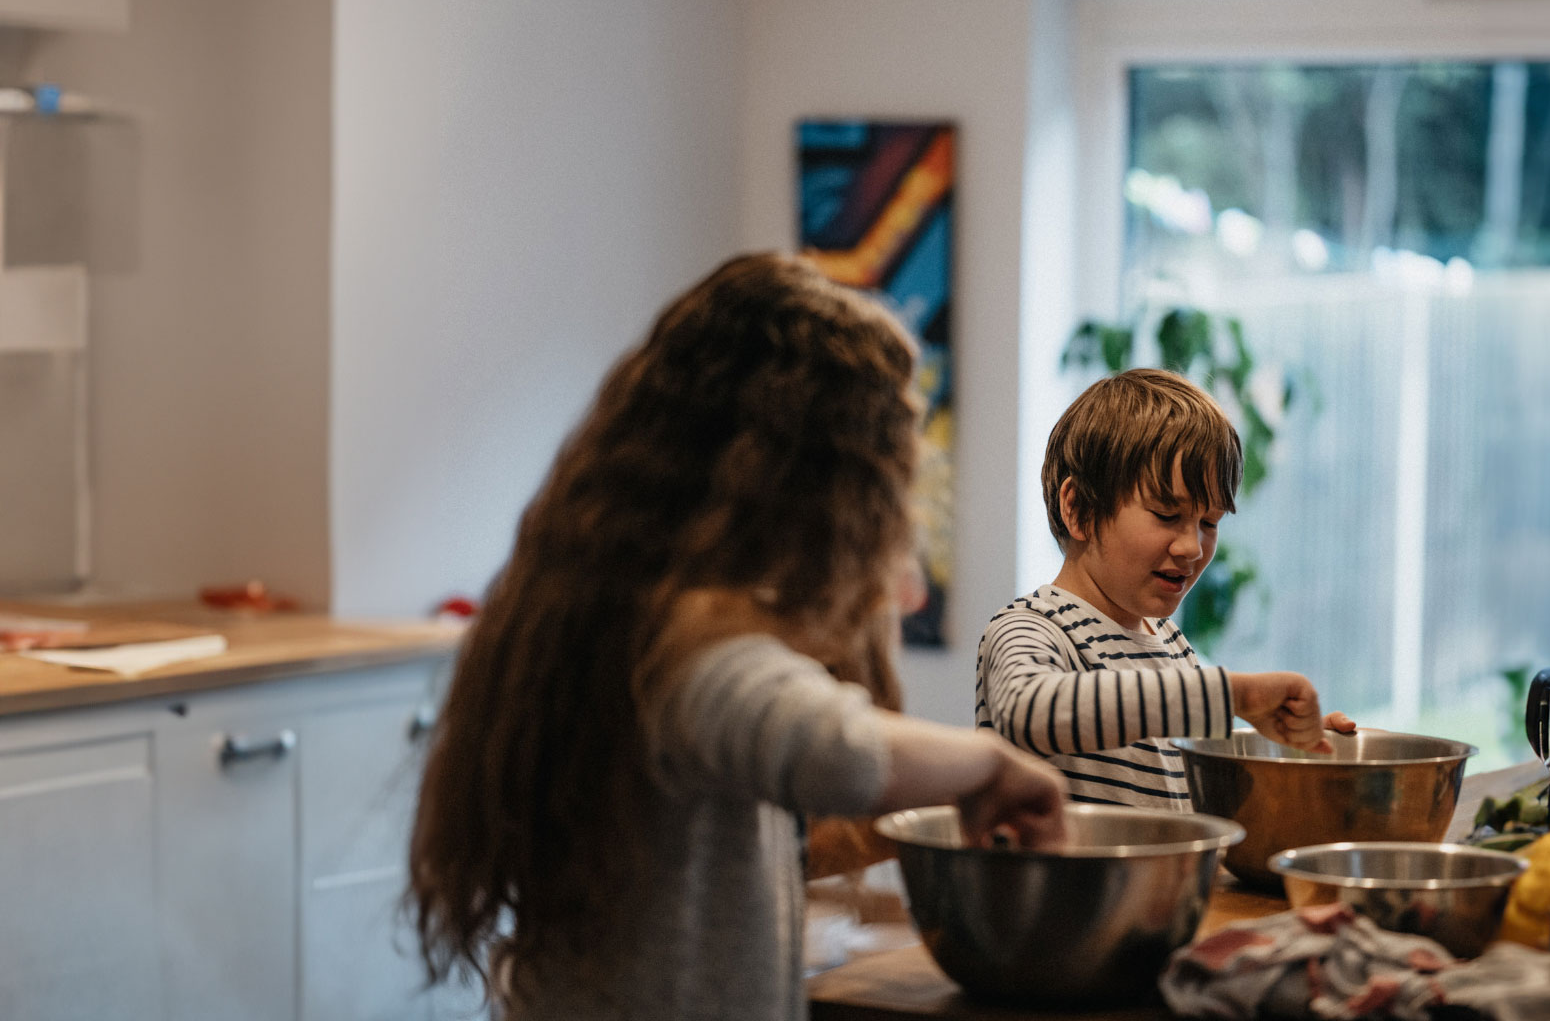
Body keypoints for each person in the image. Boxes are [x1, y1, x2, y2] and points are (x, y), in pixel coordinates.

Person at [408, 253, 1067, 1021]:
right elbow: (833, 749)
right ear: (814, 485)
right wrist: (991, 765)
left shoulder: (606, 601)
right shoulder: (684, 643)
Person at [975, 368, 1355, 812]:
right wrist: (1234, 695)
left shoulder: (1171, 643)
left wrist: (1286, 745)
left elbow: (1177, 756)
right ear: (1078, 509)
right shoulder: (1032, 628)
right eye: (1166, 514)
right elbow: (1028, 711)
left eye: (1209, 523)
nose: (1193, 547)